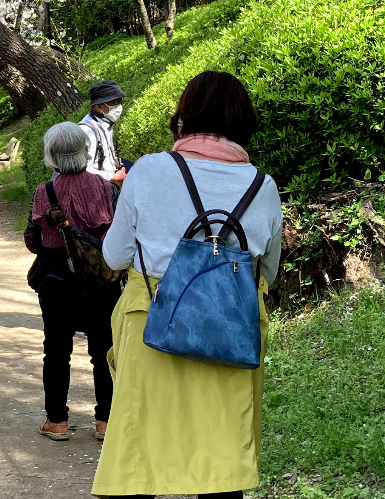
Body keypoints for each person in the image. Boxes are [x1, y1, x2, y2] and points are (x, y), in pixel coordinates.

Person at [93, 71, 284, 499]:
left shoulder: (150, 171)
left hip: (153, 322)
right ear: (243, 123)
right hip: (233, 330)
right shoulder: (263, 186)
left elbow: (115, 256)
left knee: (139, 455)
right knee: (221, 461)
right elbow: (267, 271)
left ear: (183, 120)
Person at [27, 121, 117, 443]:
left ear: (51, 156)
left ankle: (57, 421)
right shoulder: (107, 188)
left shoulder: (44, 192)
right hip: (100, 281)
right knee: (103, 349)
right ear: (86, 150)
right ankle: (105, 420)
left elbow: (32, 239)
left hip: (55, 280)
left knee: (56, 350)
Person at [80, 80, 129, 185]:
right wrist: (114, 177)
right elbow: (82, 172)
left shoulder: (105, 122)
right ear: (97, 106)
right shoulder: (87, 132)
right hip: (98, 190)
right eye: (112, 102)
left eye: (119, 101)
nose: (118, 106)